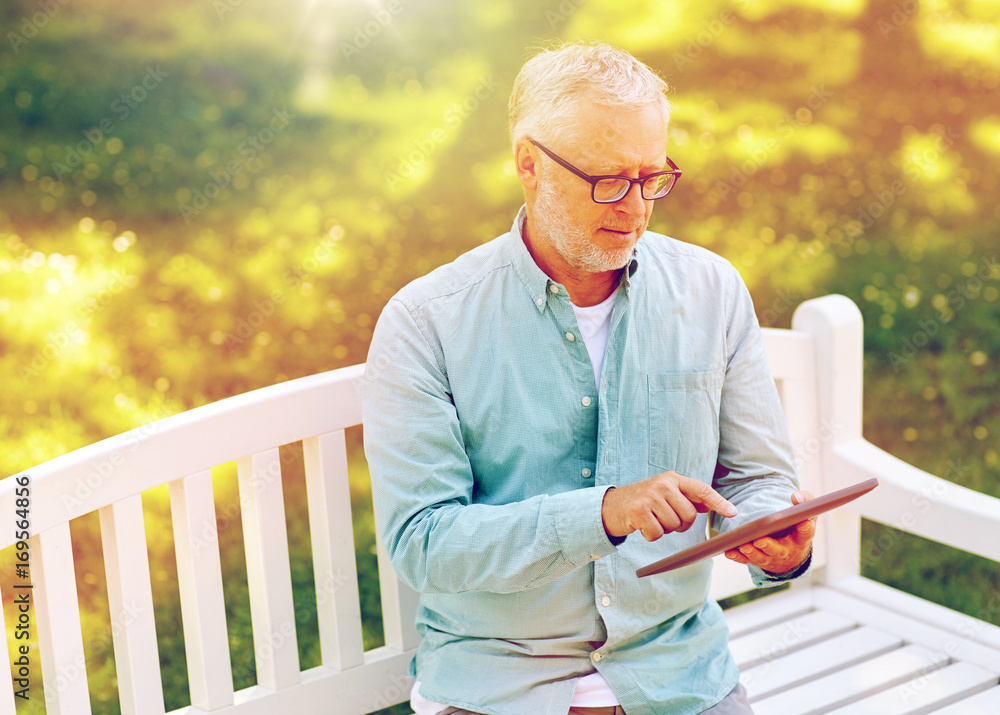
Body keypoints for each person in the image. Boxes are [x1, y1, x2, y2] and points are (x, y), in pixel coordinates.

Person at [362, 42, 815, 715]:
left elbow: (758, 478)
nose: (634, 208)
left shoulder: (711, 290)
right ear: (529, 164)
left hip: (678, 676)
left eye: (652, 178)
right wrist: (601, 514)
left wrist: (771, 537)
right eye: (607, 180)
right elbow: (424, 544)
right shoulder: (426, 321)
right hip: (500, 683)